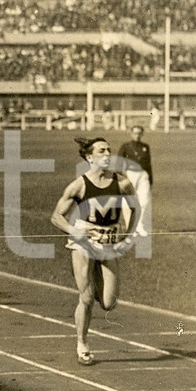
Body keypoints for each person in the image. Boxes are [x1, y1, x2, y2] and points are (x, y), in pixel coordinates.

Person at [50, 137, 138, 366]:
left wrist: (127, 234)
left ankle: (94, 280)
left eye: (109, 150)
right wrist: (73, 231)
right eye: (102, 151)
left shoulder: (122, 183)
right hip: (84, 242)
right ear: (90, 157)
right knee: (86, 298)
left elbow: (135, 208)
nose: (108, 154)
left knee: (109, 303)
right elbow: (56, 217)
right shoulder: (79, 185)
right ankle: (82, 343)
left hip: (108, 243)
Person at [116, 125, 153, 236]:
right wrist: (120, 177)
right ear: (131, 134)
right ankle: (130, 226)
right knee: (128, 201)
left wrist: (150, 179)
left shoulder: (145, 147)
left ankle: (139, 224)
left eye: (139, 133)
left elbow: (148, 164)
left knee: (144, 200)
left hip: (143, 175)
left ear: (142, 134)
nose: (137, 135)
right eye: (135, 133)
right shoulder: (126, 147)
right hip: (130, 174)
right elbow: (119, 163)